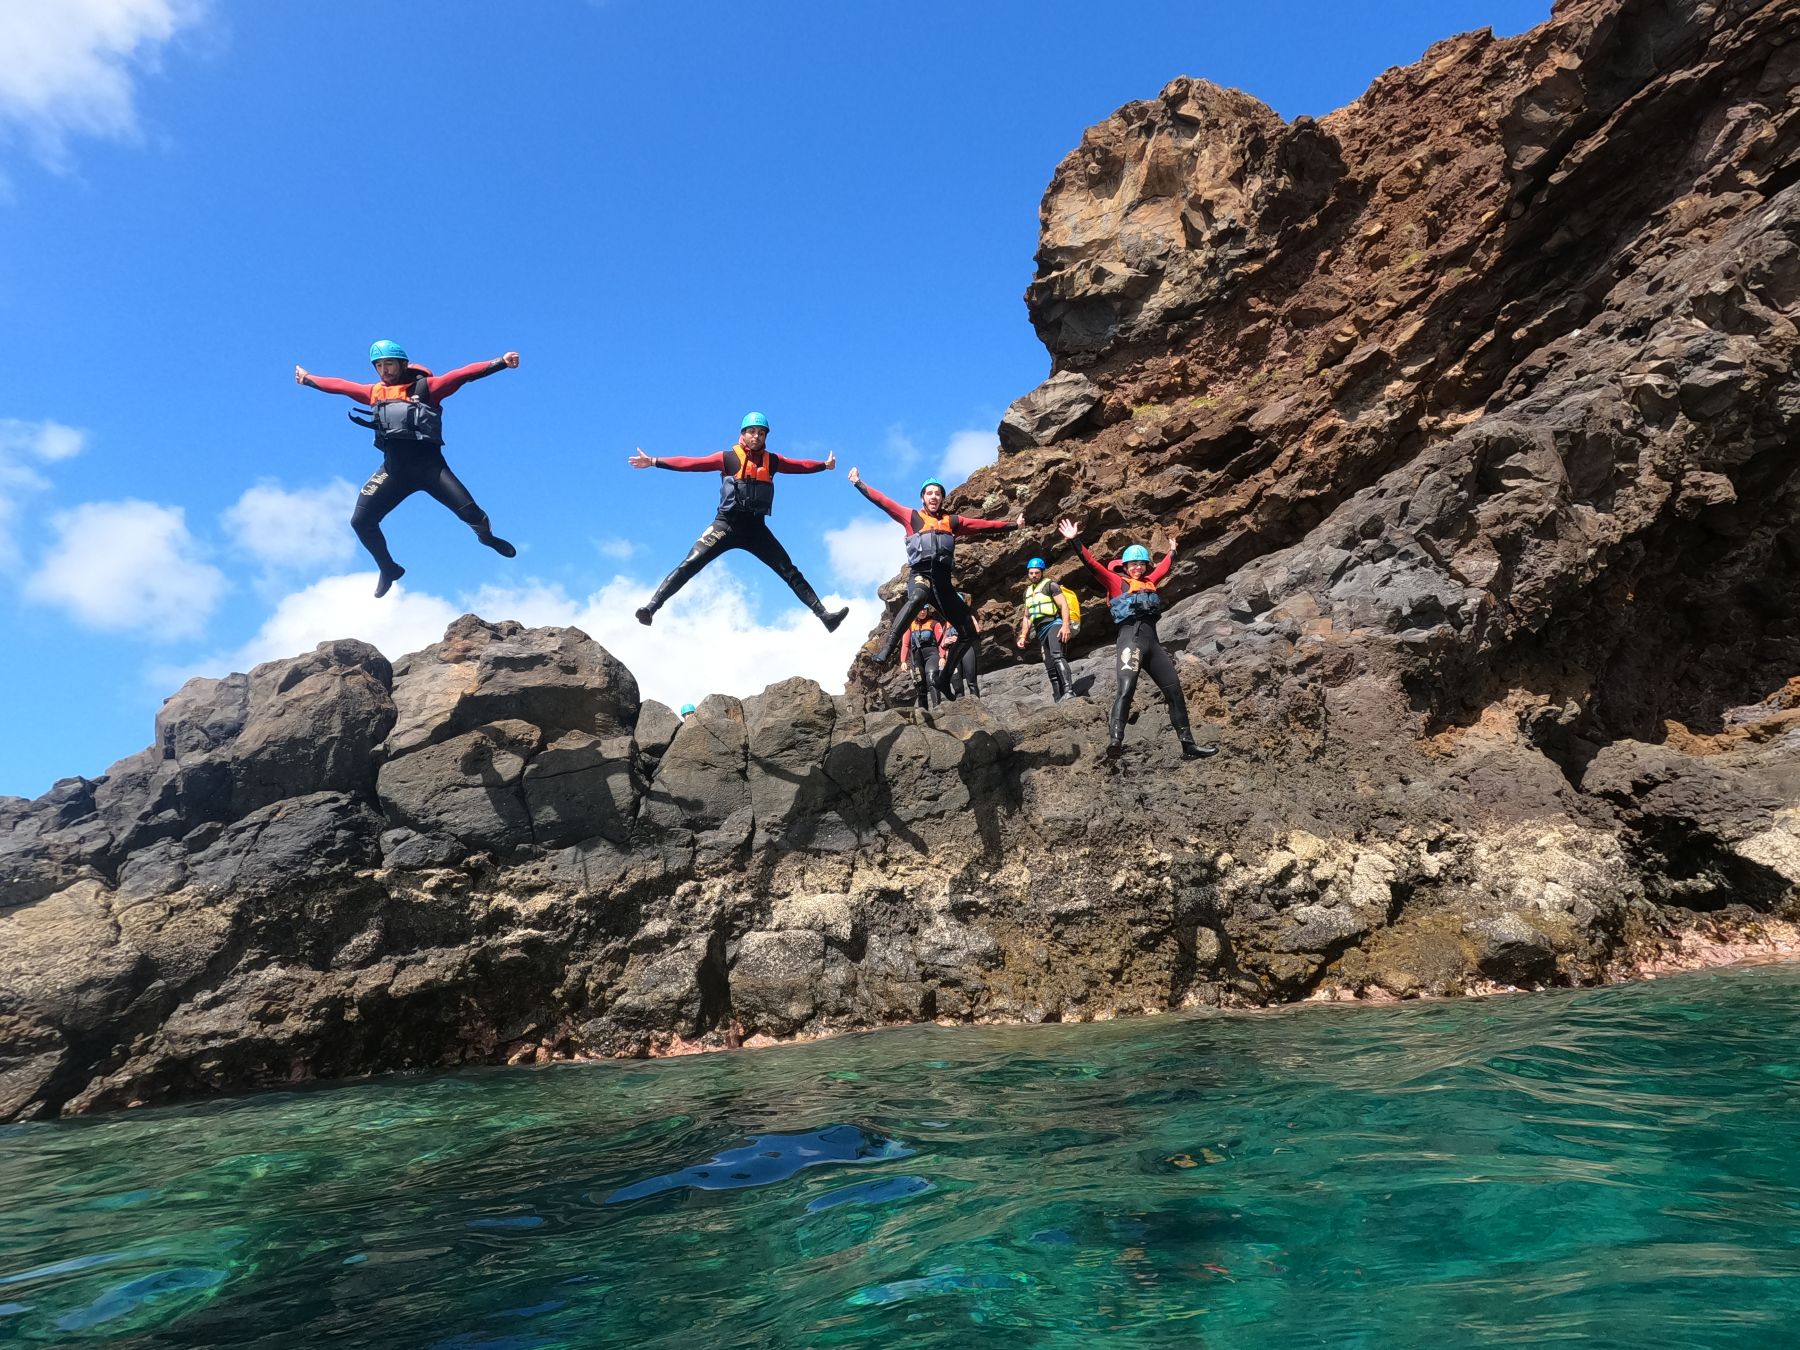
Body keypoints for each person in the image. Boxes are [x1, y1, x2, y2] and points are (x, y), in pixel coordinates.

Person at [295, 340, 519, 598]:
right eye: (378, 365)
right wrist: (308, 378)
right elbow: (341, 386)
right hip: (393, 472)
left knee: (473, 514)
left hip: (431, 470)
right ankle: (388, 568)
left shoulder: (427, 388)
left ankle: (487, 537)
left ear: (402, 364)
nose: (384, 370)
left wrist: (500, 362)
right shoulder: (375, 392)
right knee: (361, 521)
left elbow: (463, 375)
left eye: (389, 364)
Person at [630, 413, 848, 631]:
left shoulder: (771, 461)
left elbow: (798, 465)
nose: (756, 437)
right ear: (743, 434)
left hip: (756, 529)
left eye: (761, 433)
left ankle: (825, 616)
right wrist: (653, 461)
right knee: (690, 563)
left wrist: (824, 465)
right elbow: (692, 463)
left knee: (789, 571)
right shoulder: (727, 457)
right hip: (726, 525)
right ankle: (651, 608)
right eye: (752, 432)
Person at [1057, 518, 1216, 760]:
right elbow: (1091, 564)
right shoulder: (1116, 582)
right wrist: (1074, 541)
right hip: (1130, 641)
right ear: (1125, 565)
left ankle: (1188, 745)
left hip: (1153, 645)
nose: (1138, 568)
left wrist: (1173, 551)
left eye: (1141, 564)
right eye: (1133, 564)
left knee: (1174, 691)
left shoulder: (1150, 582)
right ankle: (1115, 742)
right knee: (1126, 689)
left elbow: (1164, 567)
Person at [849, 470, 1020, 690]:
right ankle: (887, 648)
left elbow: (983, 525)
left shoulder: (952, 522)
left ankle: (944, 677)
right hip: (920, 575)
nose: (933, 497)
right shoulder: (912, 517)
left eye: (937, 493)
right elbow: (884, 501)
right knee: (919, 595)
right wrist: (858, 483)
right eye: (929, 493)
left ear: (941, 498)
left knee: (968, 632)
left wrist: (1013, 525)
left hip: (942, 584)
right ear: (923, 498)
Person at [1015, 557, 1075, 701]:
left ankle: (1069, 690)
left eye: (1036, 572)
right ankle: (1058, 697)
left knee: (1057, 655)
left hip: (1054, 624)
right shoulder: (1027, 592)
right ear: (1028, 574)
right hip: (1041, 631)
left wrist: (1066, 625)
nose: (1034, 575)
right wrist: (1023, 636)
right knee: (1049, 665)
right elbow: (1027, 616)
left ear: (1042, 572)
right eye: (1031, 573)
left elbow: (1063, 605)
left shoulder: (1051, 585)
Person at [938, 587, 982, 699]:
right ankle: (961, 711)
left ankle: (977, 706)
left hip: (967, 649)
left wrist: (958, 638)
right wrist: (946, 643)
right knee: (957, 686)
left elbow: (976, 631)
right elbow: (942, 643)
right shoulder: (947, 622)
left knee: (971, 681)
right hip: (952, 651)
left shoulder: (969, 617)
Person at [900, 605, 945, 708]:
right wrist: (903, 661)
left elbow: (941, 642)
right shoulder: (910, 625)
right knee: (920, 685)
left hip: (932, 655)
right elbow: (905, 644)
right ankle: (924, 714)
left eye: (924, 609)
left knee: (932, 679)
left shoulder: (934, 623)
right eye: (919, 609)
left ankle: (937, 708)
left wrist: (942, 656)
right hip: (916, 658)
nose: (922, 612)